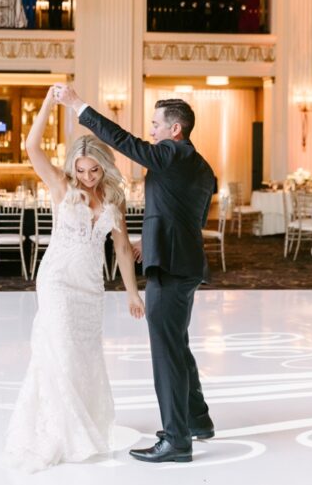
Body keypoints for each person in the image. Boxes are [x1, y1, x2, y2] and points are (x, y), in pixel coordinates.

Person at [55, 86, 218, 464]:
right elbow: (187, 215)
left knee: (166, 352)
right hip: (186, 261)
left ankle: (176, 439)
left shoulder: (170, 154)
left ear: (175, 130)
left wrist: (79, 105)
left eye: (156, 125)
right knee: (177, 343)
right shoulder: (201, 166)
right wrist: (153, 240)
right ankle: (197, 419)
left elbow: (124, 142)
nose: (152, 131)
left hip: (172, 267)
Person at [0, 87, 145, 473]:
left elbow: (122, 251)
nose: (86, 177)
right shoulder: (61, 187)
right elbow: (31, 147)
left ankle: (83, 424)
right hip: (58, 282)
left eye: (93, 170)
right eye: (80, 169)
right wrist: (50, 103)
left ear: (104, 167)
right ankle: (58, 433)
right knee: (59, 350)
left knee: (83, 356)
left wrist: (132, 293)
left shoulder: (114, 201)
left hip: (90, 289)